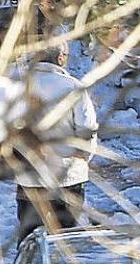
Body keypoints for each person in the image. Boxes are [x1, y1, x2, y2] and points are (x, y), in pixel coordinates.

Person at [13, 45, 98, 243]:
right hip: (67, 176)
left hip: (29, 176)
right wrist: (83, 158)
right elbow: (87, 129)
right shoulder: (73, 87)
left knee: (30, 240)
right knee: (67, 241)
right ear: (60, 58)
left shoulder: (19, 87)